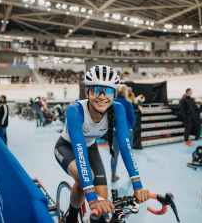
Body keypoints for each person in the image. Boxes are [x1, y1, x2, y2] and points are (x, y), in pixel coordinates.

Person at [54, 65, 149, 223]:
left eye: (109, 91)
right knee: (86, 178)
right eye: (97, 90)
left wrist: (138, 186)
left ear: (114, 94)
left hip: (90, 147)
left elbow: (125, 148)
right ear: (86, 92)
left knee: (103, 202)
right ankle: (71, 218)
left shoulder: (117, 109)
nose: (102, 97)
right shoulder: (75, 111)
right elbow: (80, 153)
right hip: (67, 147)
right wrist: (91, 199)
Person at [111, 84, 136, 182]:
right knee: (128, 153)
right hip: (127, 130)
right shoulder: (127, 103)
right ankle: (132, 175)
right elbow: (132, 118)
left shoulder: (112, 102)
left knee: (115, 153)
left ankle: (113, 174)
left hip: (115, 130)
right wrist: (130, 127)